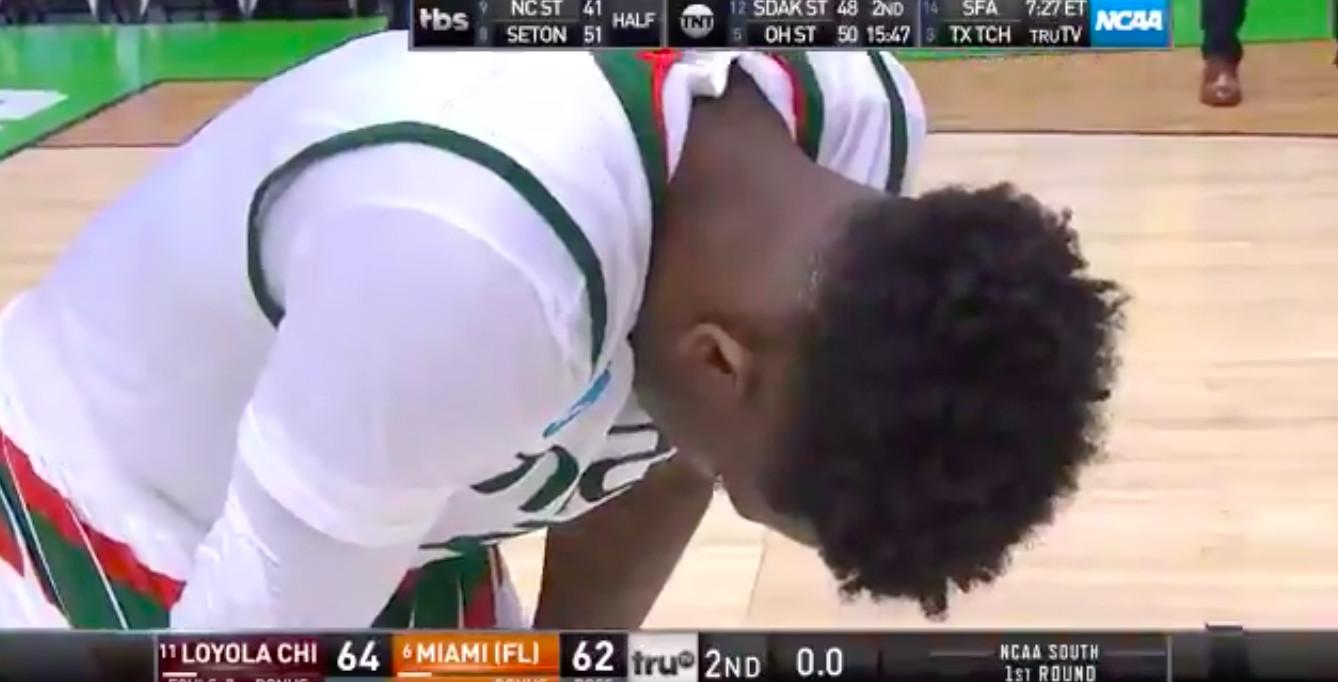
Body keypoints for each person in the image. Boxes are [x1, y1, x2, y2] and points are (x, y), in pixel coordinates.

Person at [0, 43, 1126, 630]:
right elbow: (253, 644)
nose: (715, 478)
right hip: (116, 508)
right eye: (750, 487)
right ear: (718, 360)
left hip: (377, 512)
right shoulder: (464, 259)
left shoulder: (854, 142)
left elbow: (666, 452)